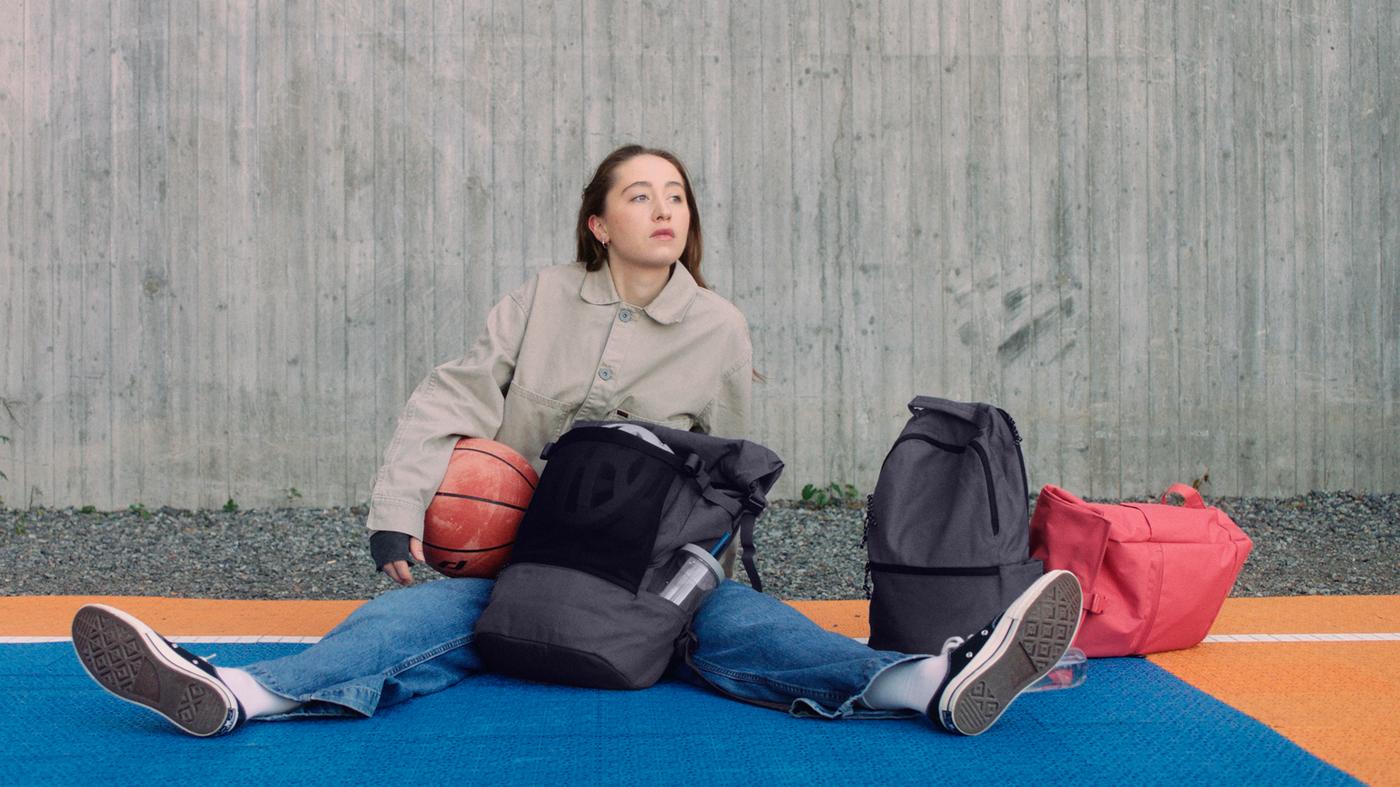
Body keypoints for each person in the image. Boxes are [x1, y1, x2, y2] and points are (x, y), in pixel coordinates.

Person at [71, 144, 1081, 739]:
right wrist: (394, 525)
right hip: (525, 556)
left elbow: (738, 463)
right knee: (424, 621)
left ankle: (927, 682)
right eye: (638, 195)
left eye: (675, 197)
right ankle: (235, 691)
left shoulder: (718, 327)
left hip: (650, 561)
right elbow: (445, 401)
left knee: (728, 626)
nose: (661, 209)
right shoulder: (540, 299)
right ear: (596, 222)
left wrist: (694, 555)